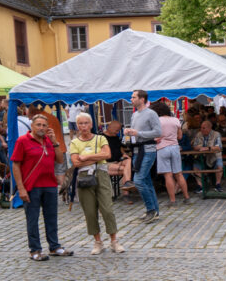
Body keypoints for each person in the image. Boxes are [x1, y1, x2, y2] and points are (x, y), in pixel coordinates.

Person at [12, 114, 71, 260]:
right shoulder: (23, 141)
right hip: (32, 186)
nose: (41, 128)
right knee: (32, 219)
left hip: (49, 184)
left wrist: (55, 142)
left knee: (51, 217)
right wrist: (21, 188)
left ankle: (54, 246)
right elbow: (16, 164)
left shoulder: (49, 141)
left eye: (44, 125)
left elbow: (59, 159)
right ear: (32, 126)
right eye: (38, 125)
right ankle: (35, 250)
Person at [68, 113, 125, 255]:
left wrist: (86, 157)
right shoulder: (75, 142)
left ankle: (114, 241)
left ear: (91, 124)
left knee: (107, 209)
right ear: (77, 126)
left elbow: (107, 155)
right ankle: (98, 242)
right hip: (84, 177)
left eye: (86, 123)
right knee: (90, 211)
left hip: (101, 174)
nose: (83, 126)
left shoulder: (100, 138)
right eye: (80, 123)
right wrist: (97, 157)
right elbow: (75, 162)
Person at [124, 89, 162, 224]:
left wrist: (138, 133)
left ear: (142, 99)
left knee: (139, 181)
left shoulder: (151, 114)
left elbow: (158, 132)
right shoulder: (134, 115)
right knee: (146, 182)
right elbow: (137, 132)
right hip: (137, 151)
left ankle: (151, 209)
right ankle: (154, 211)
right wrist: (129, 132)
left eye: (133, 97)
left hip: (148, 150)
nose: (131, 99)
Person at [152, 102, 192, 206]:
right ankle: (187, 198)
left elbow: (155, 137)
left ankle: (173, 200)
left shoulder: (157, 121)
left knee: (168, 175)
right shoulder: (175, 120)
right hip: (175, 148)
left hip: (162, 148)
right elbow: (180, 136)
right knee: (179, 174)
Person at [101, 120, 135, 201]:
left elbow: (120, 148)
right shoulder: (101, 137)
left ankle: (127, 183)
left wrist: (124, 154)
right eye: (116, 130)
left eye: (119, 131)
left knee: (128, 160)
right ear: (110, 128)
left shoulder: (115, 138)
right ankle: (126, 193)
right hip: (106, 164)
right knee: (126, 170)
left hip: (117, 161)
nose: (117, 132)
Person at [191, 120, 224, 192]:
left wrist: (208, 148)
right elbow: (194, 146)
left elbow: (219, 147)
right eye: (201, 128)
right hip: (201, 156)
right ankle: (200, 186)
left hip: (214, 156)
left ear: (209, 128)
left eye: (204, 128)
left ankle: (218, 184)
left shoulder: (216, 134)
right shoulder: (198, 134)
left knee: (219, 165)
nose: (201, 130)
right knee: (195, 166)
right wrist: (200, 148)